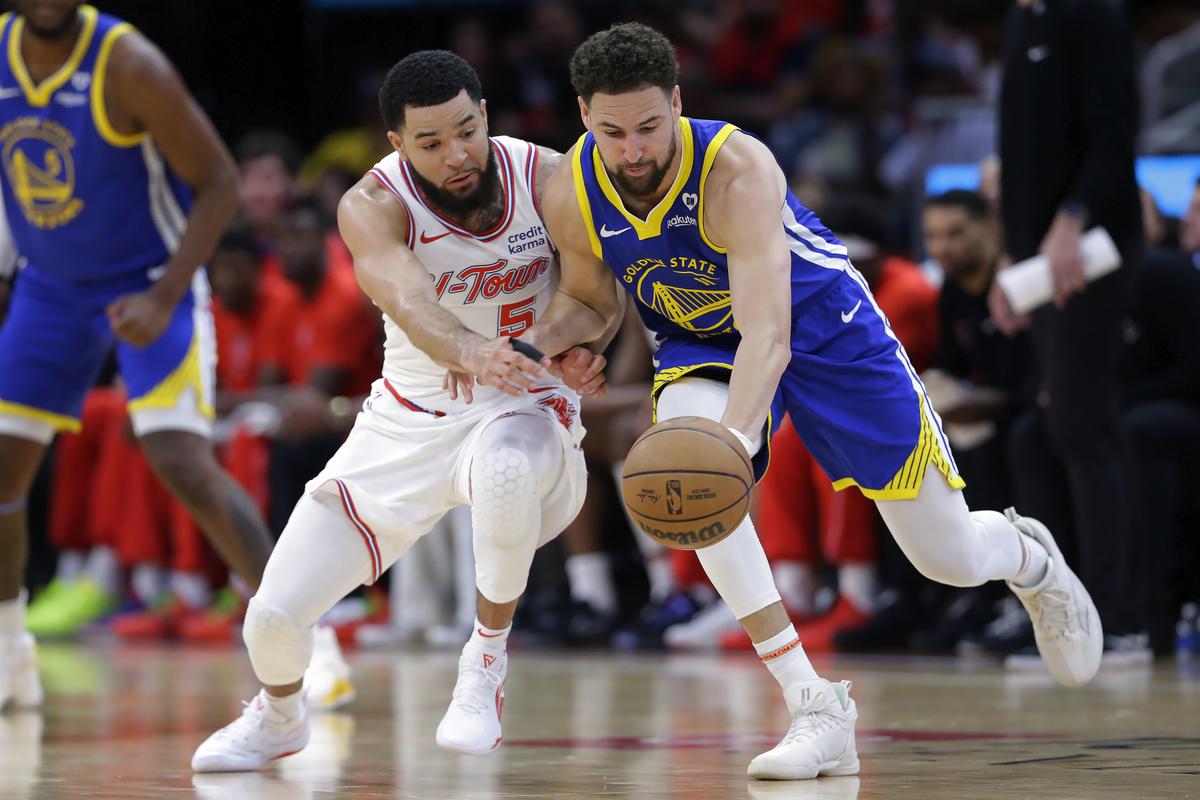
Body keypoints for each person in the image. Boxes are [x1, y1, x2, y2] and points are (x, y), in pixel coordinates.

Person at [477, 23, 1102, 781]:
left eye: (649, 125)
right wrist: (546, 346)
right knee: (691, 481)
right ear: (584, 116)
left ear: (677, 102)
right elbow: (585, 295)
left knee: (948, 557)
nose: (634, 148)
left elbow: (769, 335)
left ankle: (1028, 558)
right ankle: (816, 705)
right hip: (700, 340)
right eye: (613, 130)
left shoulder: (737, 168)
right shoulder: (574, 183)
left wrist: (735, 444)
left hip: (825, 333)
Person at [191, 50, 605, 772]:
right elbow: (411, 306)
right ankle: (280, 716)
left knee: (505, 473)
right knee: (274, 620)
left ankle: (484, 665)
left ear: (485, 114)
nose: (458, 155)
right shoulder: (370, 206)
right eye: (432, 143)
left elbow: (597, 292)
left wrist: (551, 347)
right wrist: (474, 352)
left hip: (520, 406)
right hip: (405, 421)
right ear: (396, 144)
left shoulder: (548, 175)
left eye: (468, 131)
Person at [0, 1, 356, 712]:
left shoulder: (128, 63)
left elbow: (221, 183)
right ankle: (11, 654)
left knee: (182, 461)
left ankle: (307, 642)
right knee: (3, 470)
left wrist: (163, 297)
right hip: (49, 287)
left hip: (151, 277)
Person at [991, 0, 1146, 655]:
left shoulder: (1096, 15)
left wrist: (1071, 223)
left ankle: (1120, 620)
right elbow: (1017, 154)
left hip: (1088, 253)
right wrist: (1009, 253)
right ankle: (1063, 613)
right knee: (1051, 431)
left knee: (1086, 427)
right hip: (1038, 259)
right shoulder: (1021, 20)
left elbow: (1115, 132)